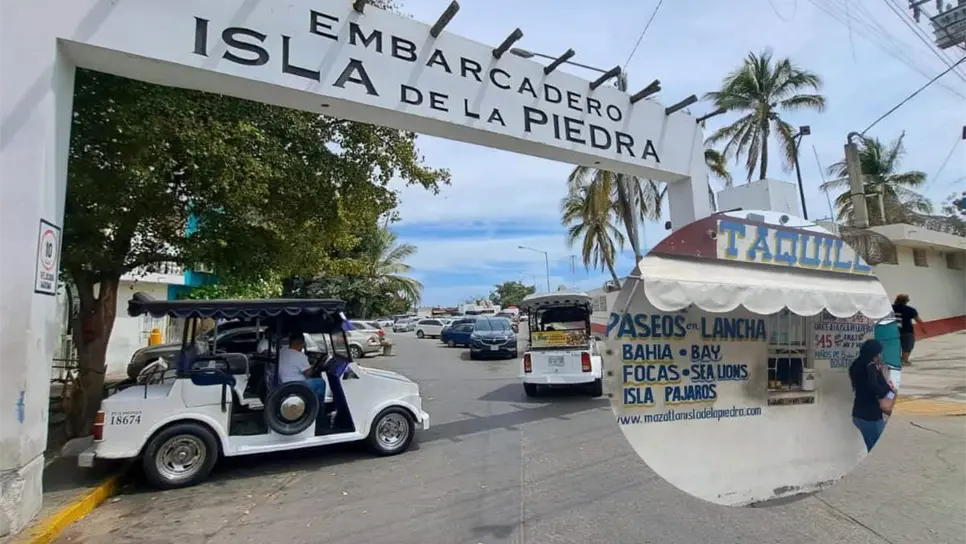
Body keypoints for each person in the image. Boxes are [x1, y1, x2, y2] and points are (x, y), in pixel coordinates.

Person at [849, 339, 896, 452]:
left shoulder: (857, 364)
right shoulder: (870, 367)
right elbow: (876, 387)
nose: (880, 355)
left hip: (859, 414)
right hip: (870, 417)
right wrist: (890, 394)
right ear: (874, 354)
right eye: (879, 353)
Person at [277, 333, 327, 399]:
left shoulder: (282, 352)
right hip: (296, 385)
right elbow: (309, 373)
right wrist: (313, 366)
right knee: (321, 382)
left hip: (283, 382)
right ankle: (318, 406)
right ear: (301, 343)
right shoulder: (299, 355)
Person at [892, 294, 925, 367]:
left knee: (895, 345)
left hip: (893, 331)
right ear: (906, 301)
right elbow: (918, 320)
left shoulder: (891, 308)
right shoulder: (911, 310)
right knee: (907, 346)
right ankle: (904, 360)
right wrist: (924, 328)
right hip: (907, 331)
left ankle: (898, 359)